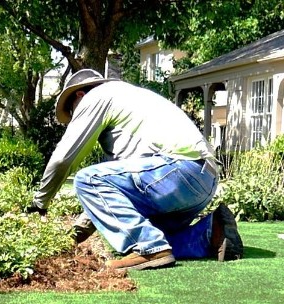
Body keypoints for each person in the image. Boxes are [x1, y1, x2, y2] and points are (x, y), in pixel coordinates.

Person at [27, 68, 233, 270]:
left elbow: (62, 160)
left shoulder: (96, 97)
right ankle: (210, 232)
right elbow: (113, 194)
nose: (75, 119)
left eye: (73, 112)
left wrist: (40, 203)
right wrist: (72, 237)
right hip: (203, 180)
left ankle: (150, 249)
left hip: (179, 171)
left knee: (86, 179)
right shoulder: (132, 100)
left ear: (80, 95)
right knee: (153, 235)